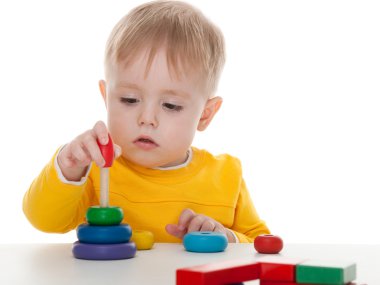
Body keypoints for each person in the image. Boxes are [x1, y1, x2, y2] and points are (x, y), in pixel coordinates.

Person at [23, 0, 270, 243]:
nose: (147, 119)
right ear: (106, 98)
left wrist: (226, 237)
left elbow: (262, 243)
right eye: (129, 100)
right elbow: (43, 220)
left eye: (170, 105)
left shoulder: (226, 176)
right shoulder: (96, 171)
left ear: (205, 114)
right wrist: (68, 166)